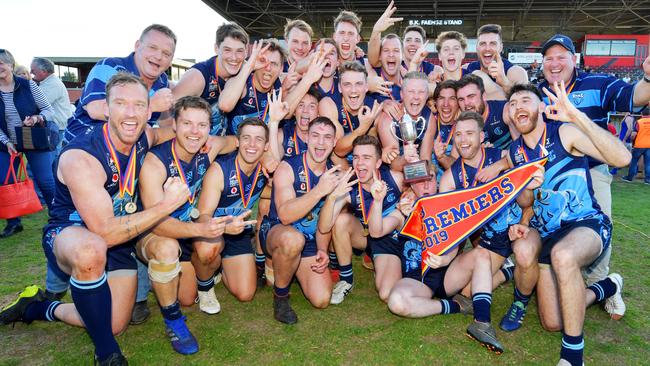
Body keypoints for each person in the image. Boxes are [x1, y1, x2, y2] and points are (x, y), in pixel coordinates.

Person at [0, 72, 189, 365]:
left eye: (139, 105)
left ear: (148, 109)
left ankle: (38, 309)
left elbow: (177, 134)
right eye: (121, 103)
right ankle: (107, 353)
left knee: (112, 322)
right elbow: (104, 233)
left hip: (118, 238)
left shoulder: (144, 137)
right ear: (107, 109)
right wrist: (167, 204)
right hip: (71, 233)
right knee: (91, 250)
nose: (131, 112)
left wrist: (213, 140)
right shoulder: (82, 156)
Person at [505, 82, 630, 366]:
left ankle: (573, 356)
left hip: (585, 224)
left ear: (540, 107)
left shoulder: (564, 132)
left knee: (565, 256)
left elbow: (622, 158)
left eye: (525, 100)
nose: (518, 107)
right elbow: (526, 201)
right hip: (549, 234)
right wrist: (528, 188)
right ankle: (606, 288)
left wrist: (576, 116)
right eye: (512, 104)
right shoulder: (516, 152)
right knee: (553, 321)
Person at [537, 33, 650, 307]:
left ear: (573, 60)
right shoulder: (538, 91)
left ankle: (602, 284)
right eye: (549, 58)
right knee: (553, 229)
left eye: (561, 57)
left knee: (598, 226)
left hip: (592, 170)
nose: (554, 63)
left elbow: (632, 96)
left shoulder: (597, 83)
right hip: (553, 175)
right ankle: (562, 280)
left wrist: (647, 78)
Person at [136, 96, 237, 354]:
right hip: (155, 233)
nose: (195, 132)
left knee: (209, 250)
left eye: (202, 125)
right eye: (188, 124)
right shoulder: (155, 163)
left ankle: (204, 283)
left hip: (188, 230)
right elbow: (157, 223)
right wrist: (201, 229)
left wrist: (264, 153)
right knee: (168, 248)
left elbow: (234, 141)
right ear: (175, 126)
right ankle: (173, 320)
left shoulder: (209, 147)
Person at [258, 117, 344, 324]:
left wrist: (322, 249)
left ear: (334, 142)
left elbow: (326, 222)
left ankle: (290, 266)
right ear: (306, 137)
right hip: (279, 231)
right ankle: (280, 297)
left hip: (311, 239)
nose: (321, 143)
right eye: (315, 136)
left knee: (322, 298)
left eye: (327, 137)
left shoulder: (337, 174)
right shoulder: (288, 167)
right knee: (292, 240)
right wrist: (319, 191)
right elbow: (286, 215)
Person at [192, 118, 268, 312]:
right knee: (187, 295)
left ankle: (220, 266)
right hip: (210, 233)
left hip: (239, 233)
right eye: (246, 138)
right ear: (237, 141)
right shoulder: (220, 169)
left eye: (259, 139)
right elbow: (202, 217)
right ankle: (205, 286)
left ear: (266, 146)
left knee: (246, 294)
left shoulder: (265, 171)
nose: (252, 145)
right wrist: (225, 228)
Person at [319, 135, 404, 304]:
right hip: (371, 239)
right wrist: (333, 196)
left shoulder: (396, 178)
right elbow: (324, 227)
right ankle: (346, 280)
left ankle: (391, 266)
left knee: (388, 291)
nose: (360, 163)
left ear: (378, 163)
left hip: (396, 237)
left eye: (367, 158)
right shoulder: (349, 187)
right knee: (341, 221)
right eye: (356, 157)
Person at [63, 24, 177, 144]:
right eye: (152, 47)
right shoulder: (110, 67)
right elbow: (94, 109)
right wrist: (151, 105)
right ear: (137, 46)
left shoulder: (162, 81)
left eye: (166, 54)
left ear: (171, 60)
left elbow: (164, 123)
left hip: (127, 155)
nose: (158, 56)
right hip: (81, 149)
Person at [0, 49, 55, 238]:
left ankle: (57, 217)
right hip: (7, 143)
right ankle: (13, 223)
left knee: (46, 181)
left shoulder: (28, 85)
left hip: (32, 137)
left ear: (11, 65)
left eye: (1, 63)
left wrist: (37, 117)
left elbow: (49, 110)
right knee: (5, 181)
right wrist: (6, 141)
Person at [172, 23, 250, 136]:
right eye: (227, 50)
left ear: (246, 52)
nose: (234, 57)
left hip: (222, 145)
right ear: (216, 48)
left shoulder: (245, 70)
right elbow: (167, 114)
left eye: (239, 51)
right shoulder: (197, 77)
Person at [456, 74, 516, 150]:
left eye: (471, 96)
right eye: (461, 99)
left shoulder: (504, 110)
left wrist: (495, 154)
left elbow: (521, 146)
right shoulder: (462, 124)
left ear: (483, 96)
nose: (466, 103)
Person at [463, 24, 528, 93]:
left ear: (500, 47)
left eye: (493, 43)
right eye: (483, 44)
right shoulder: (466, 69)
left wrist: (504, 82)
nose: (487, 48)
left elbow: (523, 100)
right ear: (477, 48)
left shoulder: (516, 73)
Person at [30, 57, 73, 150]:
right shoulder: (48, 82)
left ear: (44, 71)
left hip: (57, 129)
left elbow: (35, 104)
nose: (30, 73)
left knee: (51, 158)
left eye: (33, 71)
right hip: (56, 127)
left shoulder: (52, 84)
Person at [622, 111, 650, 184]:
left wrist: (631, 139)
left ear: (641, 114)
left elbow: (633, 134)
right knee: (648, 163)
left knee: (634, 162)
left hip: (639, 145)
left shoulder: (639, 122)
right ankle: (647, 180)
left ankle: (630, 178)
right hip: (649, 145)